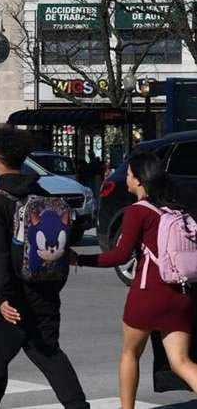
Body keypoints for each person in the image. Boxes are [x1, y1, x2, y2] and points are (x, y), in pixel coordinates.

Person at [71, 152, 197, 409]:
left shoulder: (137, 212)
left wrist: (80, 260)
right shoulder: (175, 208)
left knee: (130, 353)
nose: (124, 177)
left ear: (139, 181)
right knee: (181, 361)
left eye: (128, 174)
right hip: (182, 292)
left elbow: (119, 255)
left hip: (148, 293)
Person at [0, 127, 89, 409]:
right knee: (49, 354)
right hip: (45, 291)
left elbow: (0, 255)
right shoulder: (40, 193)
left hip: (11, 297)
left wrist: (0, 298)